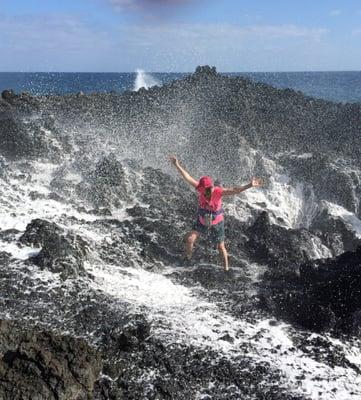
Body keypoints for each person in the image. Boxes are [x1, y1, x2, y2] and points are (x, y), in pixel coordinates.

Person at [169, 156, 263, 271]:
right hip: (202, 219)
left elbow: (235, 190)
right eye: (201, 188)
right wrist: (176, 164)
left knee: (220, 247)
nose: (201, 190)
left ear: (210, 187)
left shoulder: (218, 191)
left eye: (204, 188)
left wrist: (250, 185)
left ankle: (226, 268)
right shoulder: (200, 188)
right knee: (190, 239)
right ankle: (187, 258)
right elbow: (186, 176)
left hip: (217, 222)